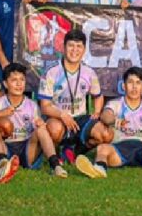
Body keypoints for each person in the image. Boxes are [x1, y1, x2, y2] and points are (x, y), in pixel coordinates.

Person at [75, 67, 142, 178]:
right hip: (119, 148)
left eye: (138, 83)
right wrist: (114, 120)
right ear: (123, 86)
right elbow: (105, 116)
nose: (134, 87)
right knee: (102, 148)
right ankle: (99, 170)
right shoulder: (115, 104)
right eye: (130, 82)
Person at [0, 63, 68, 178]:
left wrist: (40, 123)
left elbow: (39, 126)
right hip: (6, 146)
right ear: (6, 84)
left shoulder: (32, 105)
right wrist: (0, 114)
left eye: (22, 80)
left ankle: (56, 165)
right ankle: (3, 163)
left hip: (27, 147)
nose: (18, 84)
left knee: (41, 130)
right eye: (14, 80)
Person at [38, 29, 108, 163]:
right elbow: (45, 107)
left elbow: (98, 96)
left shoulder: (89, 73)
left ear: (84, 50)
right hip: (57, 117)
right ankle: (57, 151)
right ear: (63, 47)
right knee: (54, 130)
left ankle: (75, 152)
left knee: (105, 134)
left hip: (80, 118)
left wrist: (97, 111)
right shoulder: (51, 72)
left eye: (79, 46)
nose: (74, 50)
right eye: (71, 45)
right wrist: (62, 115)